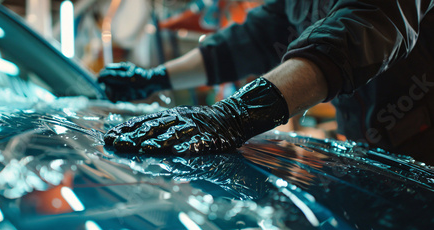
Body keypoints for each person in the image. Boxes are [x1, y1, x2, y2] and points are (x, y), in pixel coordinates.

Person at [98, 0, 434, 164]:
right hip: (371, 148)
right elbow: (256, 38)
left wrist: (234, 115)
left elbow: (366, 27)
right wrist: (157, 78)